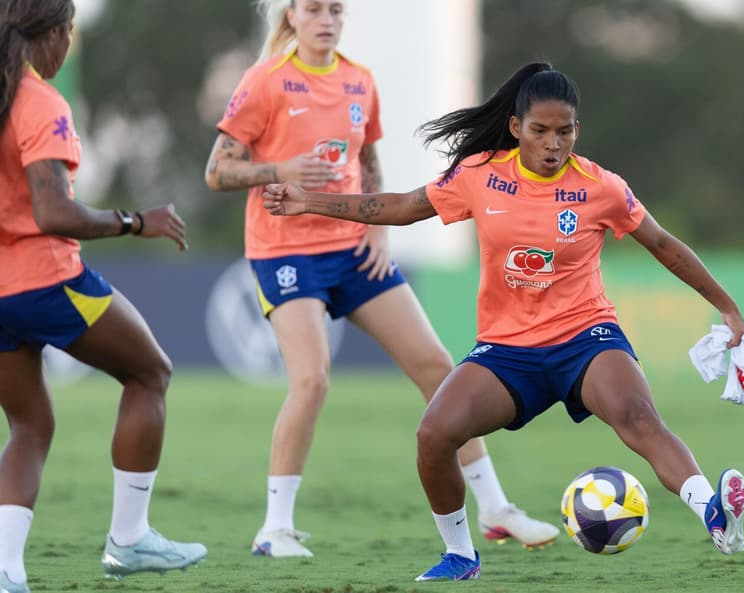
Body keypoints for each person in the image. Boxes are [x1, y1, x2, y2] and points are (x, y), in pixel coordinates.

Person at [261, 61, 744, 581]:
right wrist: (308, 202)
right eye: (540, 130)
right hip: (507, 351)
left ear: (577, 131)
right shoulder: (479, 174)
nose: (552, 144)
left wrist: (726, 306)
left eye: (564, 132)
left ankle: (715, 515)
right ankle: (460, 555)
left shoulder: (601, 187)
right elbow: (404, 206)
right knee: (433, 435)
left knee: (638, 418)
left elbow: (664, 245)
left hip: (585, 338)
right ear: (517, 128)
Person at [203, 0, 558, 557]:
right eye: (314, 9)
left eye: (336, 10)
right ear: (291, 16)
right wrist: (279, 170)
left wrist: (379, 233)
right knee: (312, 380)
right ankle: (274, 528)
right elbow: (217, 171)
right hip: (285, 253)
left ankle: (494, 507)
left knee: (439, 367)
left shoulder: (359, 81)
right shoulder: (264, 81)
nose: (326, 19)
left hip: (354, 250)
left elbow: (368, 161)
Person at [0, 1, 206, 591]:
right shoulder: (40, 101)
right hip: (48, 282)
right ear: (58, 35)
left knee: (28, 425)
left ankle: (7, 569)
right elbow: (53, 211)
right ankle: (130, 539)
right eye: (70, 34)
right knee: (150, 373)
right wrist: (136, 221)